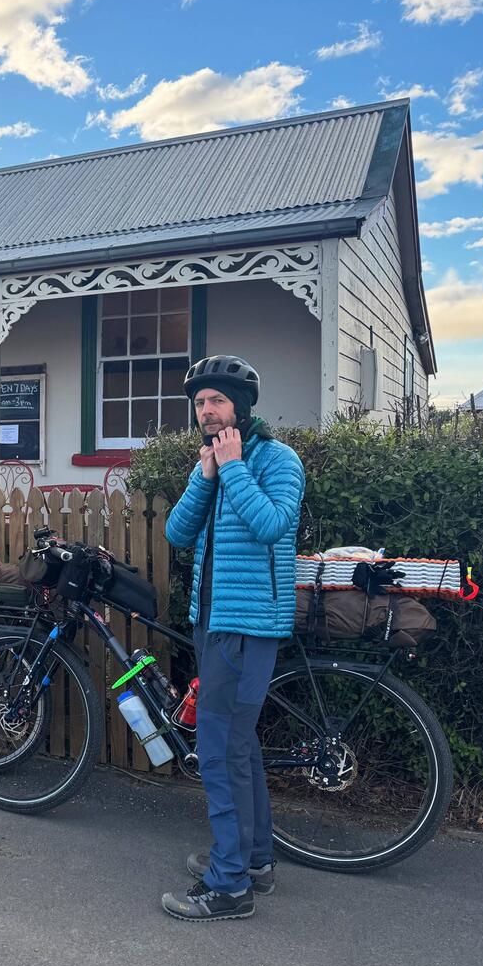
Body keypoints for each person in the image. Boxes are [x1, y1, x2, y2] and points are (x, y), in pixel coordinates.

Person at [160, 355, 305, 922]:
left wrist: (236, 468)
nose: (206, 411)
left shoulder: (278, 460)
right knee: (239, 748)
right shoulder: (215, 465)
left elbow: (272, 525)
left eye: (216, 401)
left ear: (241, 407)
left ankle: (228, 886)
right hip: (213, 623)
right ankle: (256, 863)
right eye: (200, 403)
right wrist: (206, 476)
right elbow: (177, 532)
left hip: (248, 628)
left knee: (219, 751)